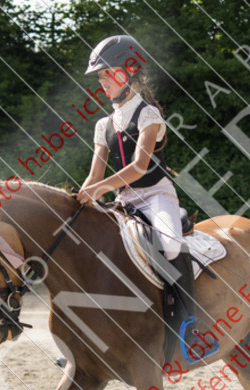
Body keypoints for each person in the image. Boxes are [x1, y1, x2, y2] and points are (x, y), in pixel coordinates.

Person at [76, 34, 217, 361]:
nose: (102, 83)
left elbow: (140, 166)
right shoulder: (103, 125)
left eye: (105, 74)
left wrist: (98, 189)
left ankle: (189, 328)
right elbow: (94, 177)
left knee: (169, 244)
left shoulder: (149, 114)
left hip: (156, 195)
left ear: (125, 72)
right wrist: (80, 199)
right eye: (99, 77)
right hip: (124, 202)